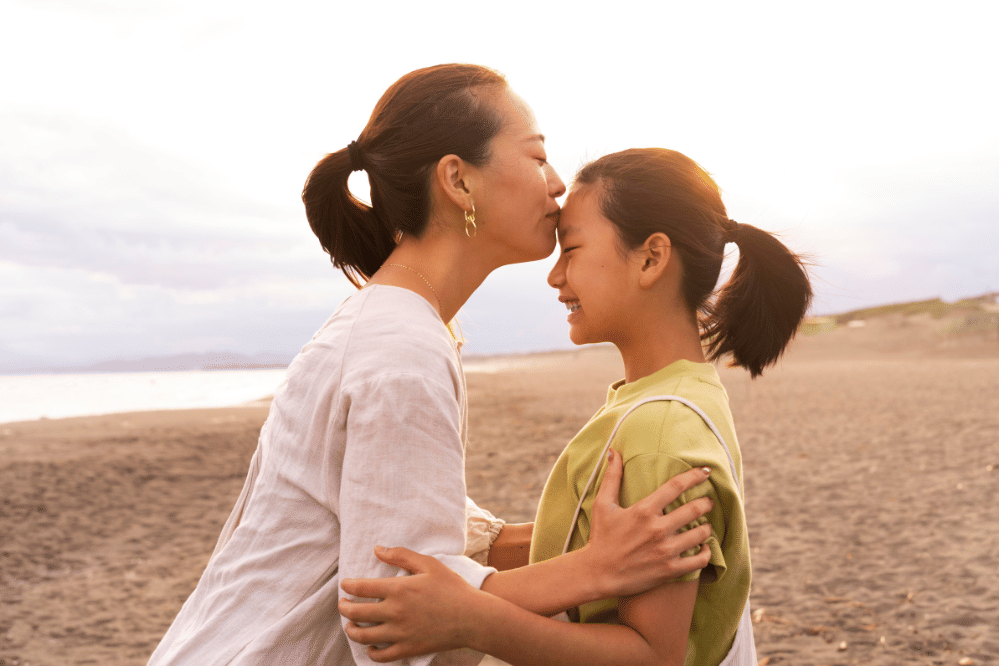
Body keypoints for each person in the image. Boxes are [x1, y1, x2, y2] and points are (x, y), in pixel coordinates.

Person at [146, 67, 717, 666]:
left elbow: (422, 546)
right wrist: (593, 570)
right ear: (458, 181)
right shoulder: (401, 351)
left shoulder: (403, 327)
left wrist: (603, 542)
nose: (556, 185)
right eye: (537, 156)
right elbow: (392, 614)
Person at [338, 148, 813, 665]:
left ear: (651, 258)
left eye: (573, 250)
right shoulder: (680, 395)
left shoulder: (659, 434)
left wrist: (471, 619)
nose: (555, 276)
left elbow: (653, 657)